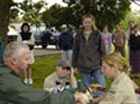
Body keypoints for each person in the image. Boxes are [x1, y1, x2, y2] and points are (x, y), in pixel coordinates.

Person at [0, 41, 87, 104]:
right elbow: (38, 99)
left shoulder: (8, 75)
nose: (30, 62)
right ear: (14, 61)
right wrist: (72, 97)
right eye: (26, 59)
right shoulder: (6, 80)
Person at [72, 14, 106, 89]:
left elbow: (103, 50)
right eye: (85, 22)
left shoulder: (97, 34)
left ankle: (101, 100)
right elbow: (75, 52)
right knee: (88, 89)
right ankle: (91, 101)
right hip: (83, 66)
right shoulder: (78, 35)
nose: (87, 24)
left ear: (92, 22)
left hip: (97, 65)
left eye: (89, 22)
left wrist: (103, 64)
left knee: (101, 86)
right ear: (83, 23)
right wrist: (74, 66)